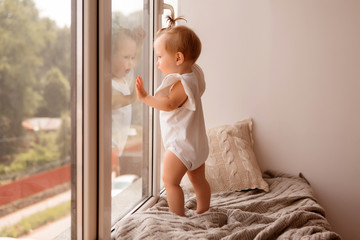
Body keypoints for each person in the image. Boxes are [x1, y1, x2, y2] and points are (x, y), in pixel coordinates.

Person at [135, 16, 210, 216]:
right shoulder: (194, 74)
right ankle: (203, 210)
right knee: (199, 181)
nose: (158, 63)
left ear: (178, 58)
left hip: (181, 145)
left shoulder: (182, 83)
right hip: (197, 144)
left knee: (170, 181)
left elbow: (168, 104)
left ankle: (177, 217)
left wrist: (145, 97)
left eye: (160, 57)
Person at [111, 27, 143, 177]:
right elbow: (124, 100)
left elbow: (136, 61)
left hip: (118, 147)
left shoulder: (124, 76)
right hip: (108, 147)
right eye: (126, 57)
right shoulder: (107, 85)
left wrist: (140, 43)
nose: (131, 63)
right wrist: (138, 94)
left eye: (132, 57)